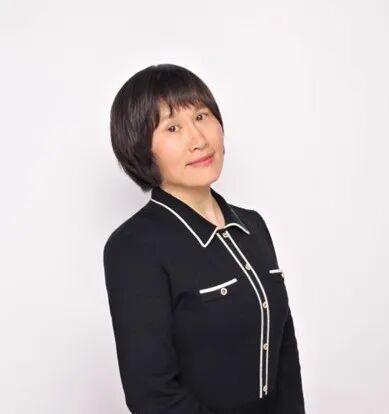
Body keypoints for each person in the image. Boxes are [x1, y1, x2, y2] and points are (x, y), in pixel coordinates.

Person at [103, 63, 306, 413]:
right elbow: (152, 395)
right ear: (141, 147)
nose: (198, 140)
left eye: (201, 116)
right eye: (172, 128)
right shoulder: (133, 248)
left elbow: (284, 354)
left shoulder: (252, 226)